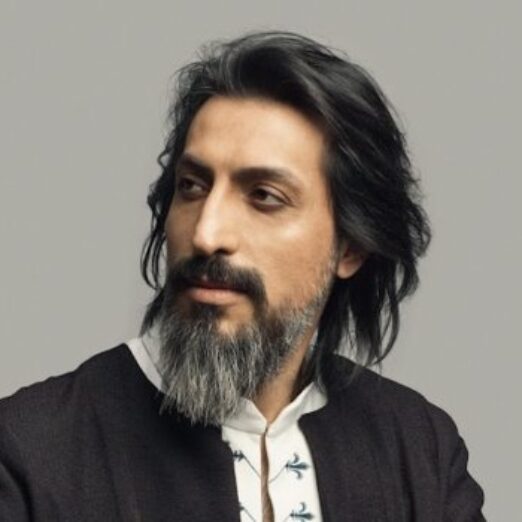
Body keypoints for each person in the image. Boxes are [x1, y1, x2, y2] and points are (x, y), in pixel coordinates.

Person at [0, 31, 485, 521]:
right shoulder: (30, 453)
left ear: (351, 246)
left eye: (264, 197)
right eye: (192, 186)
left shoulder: (420, 452)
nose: (206, 233)